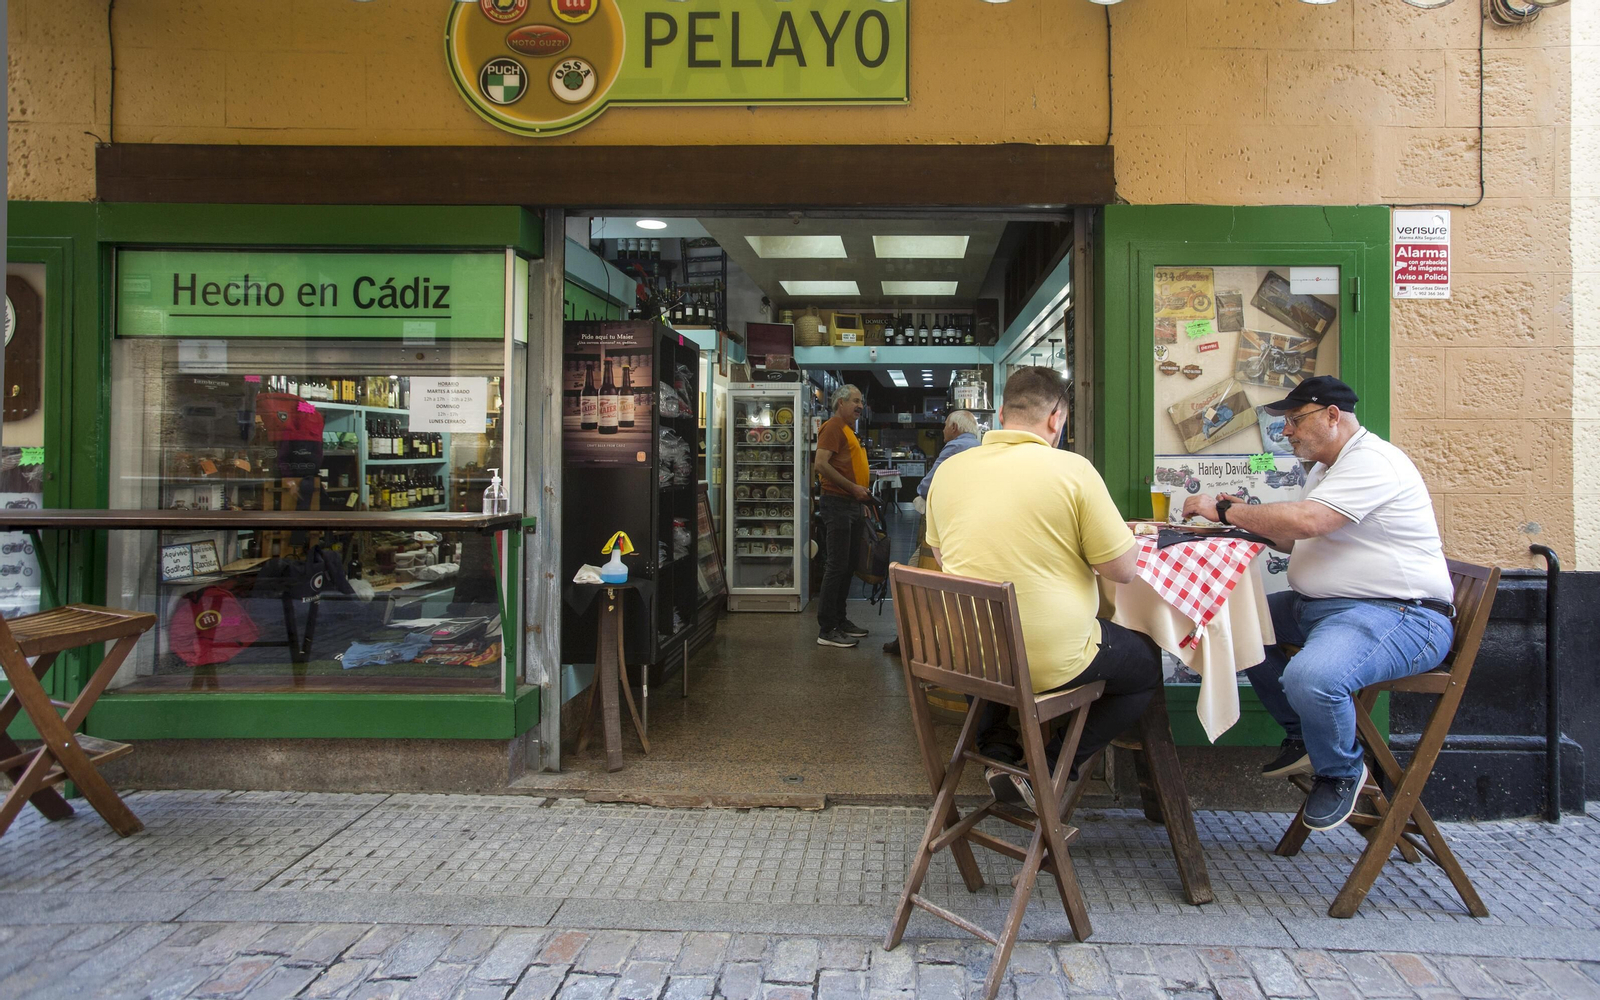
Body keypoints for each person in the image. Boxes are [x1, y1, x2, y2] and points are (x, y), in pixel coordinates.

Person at [1181, 376, 1454, 833]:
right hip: (1324, 608)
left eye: (1294, 420)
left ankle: (1341, 771)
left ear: (1333, 415)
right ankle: (1304, 735)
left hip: (1399, 615)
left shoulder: (1374, 461)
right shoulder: (1326, 469)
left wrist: (1226, 511)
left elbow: (1310, 521)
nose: (1285, 431)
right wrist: (1236, 520)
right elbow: (1292, 536)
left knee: (1312, 676)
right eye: (1285, 422)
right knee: (1235, 625)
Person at [924, 367, 1161, 809]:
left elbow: (943, 558)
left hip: (964, 657)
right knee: (1147, 664)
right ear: (1056, 418)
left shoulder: (950, 471)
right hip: (1049, 659)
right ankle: (1048, 770)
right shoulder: (1073, 471)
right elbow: (1122, 570)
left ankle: (998, 752)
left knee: (994, 637)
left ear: (999, 413)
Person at [882, 410, 983, 656]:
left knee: (912, 576)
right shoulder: (981, 448)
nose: (943, 430)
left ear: (955, 428)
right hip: (972, 529)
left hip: (944, 530)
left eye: (946, 426)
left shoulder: (953, 448)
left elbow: (926, 486)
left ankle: (909, 640)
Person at [813, 383, 873, 648]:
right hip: (837, 503)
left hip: (851, 504)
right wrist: (852, 488)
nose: (860, 406)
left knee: (848, 565)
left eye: (861, 401)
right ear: (840, 403)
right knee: (837, 565)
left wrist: (862, 498)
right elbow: (821, 464)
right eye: (856, 401)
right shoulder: (833, 427)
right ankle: (827, 628)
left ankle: (840, 618)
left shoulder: (848, 430)